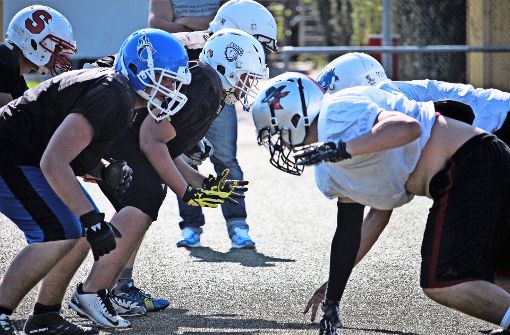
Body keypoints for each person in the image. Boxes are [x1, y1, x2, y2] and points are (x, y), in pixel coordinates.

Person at [251, 72, 510, 335]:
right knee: (491, 269)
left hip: (469, 163)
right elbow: (350, 232)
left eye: (276, 132)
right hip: (471, 169)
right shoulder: (330, 166)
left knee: (443, 279)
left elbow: (408, 128)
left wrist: (339, 148)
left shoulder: (338, 110)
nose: (278, 143)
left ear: (295, 116)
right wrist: (332, 298)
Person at [68, 28, 269, 328]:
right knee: (146, 196)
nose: (247, 84)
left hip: (126, 135)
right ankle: (92, 292)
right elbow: (151, 138)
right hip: (120, 134)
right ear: (228, 65)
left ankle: (111, 289)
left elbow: (169, 146)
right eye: (245, 76)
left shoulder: (209, 86)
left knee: (143, 201)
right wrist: (185, 192)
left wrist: (200, 183)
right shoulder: (204, 85)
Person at [150, 0, 278, 249]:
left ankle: (237, 223)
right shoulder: (194, 51)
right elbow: (157, 23)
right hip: (174, 104)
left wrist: (181, 22)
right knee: (180, 159)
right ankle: (191, 225)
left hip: (218, 96)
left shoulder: (225, 70)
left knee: (226, 159)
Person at [0, 4, 76, 106]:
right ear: (33, 42)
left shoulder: (15, 78)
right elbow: (7, 116)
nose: (59, 55)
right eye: (57, 48)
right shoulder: (4, 62)